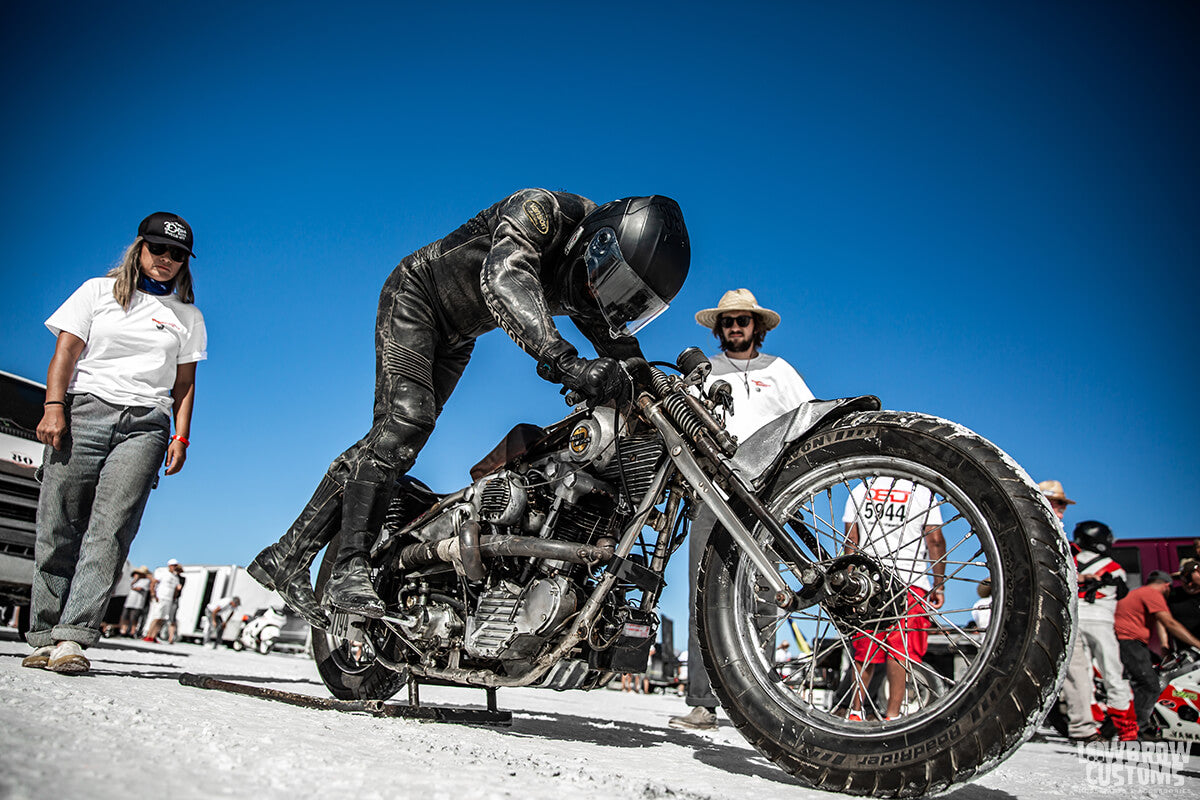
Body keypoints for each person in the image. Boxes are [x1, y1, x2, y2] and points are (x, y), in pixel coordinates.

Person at [249, 191, 690, 629]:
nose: (601, 294)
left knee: (390, 438)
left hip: (458, 336)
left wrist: (655, 385)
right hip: (416, 297)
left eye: (623, 296)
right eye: (609, 279)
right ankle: (349, 567)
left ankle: (285, 556)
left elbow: (620, 348)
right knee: (405, 423)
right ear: (598, 243)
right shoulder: (542, 211)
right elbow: (504, 279)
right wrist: (564, 359)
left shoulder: (590, 282)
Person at [20, 213, 204, 674]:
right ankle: (43, 633)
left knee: (111, 532)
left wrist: (180, 435)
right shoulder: (96, 292)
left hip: (146, 425)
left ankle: (72, 638)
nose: (166, 260)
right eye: (158, 249)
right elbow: (65, 351)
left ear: (185, 263)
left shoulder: (188, 317)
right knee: (58, 523)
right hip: (84, 411)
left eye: (177, 254)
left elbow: (185, 384)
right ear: (139, 248)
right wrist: (53, 406)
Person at [669, 289, 814, 731]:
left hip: (769, 494)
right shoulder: (704, 372)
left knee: (766, 595)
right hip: (713, 491)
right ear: (719, 327)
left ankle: (761, 700)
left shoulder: (781, 371)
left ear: (757, 327)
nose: (735, 327)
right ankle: (702, 703)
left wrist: (802, 487)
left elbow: (806, 422)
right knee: (702, 594)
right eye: (728, 320)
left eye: (743, 320)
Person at [841, 477, 945, 721]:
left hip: (870, 581)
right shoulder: (922, 492)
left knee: (864, 650)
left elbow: (851, 542)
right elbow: (935, 541)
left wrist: (850, 586)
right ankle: (893, 715)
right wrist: (939, 585)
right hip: (911, 581)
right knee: (901, 651)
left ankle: (855, 711)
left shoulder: (861, 489)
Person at [1061, 521, 1138, 741]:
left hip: (1074, 622)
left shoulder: (1071, 563)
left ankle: (1088, 724)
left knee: (1081, 677)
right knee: (1113, 674)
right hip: (1101, 623)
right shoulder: (1114, 566)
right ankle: (1127, 729)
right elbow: (1122, 592)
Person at [1114, 570, 1200, 738]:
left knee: (1152, 675)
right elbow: (1169, 622)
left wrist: (1164, 646)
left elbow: (1162, 623)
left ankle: (1135, 723)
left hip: (1127, 641)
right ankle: (1136, 729)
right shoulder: (1152, 593)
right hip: (1128, 641)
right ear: (1166, 585)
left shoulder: (1140, 592)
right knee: (1150, 685)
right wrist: (1197, 644)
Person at [143, 559, 185, 643]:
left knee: (162, 618)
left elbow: (176, 590)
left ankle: (154, 636)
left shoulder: (175, 577)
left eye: (176, 566)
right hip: (161, 597)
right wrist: (153, 593)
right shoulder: (164, 573)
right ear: (169, 565)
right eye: (173, 565)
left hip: (169, 600)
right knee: (156, 617)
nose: (174, 567)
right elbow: (153, 582)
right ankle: (148, 635)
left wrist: (175, 594)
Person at [1166, 558, 1200, 643]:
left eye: (1194, 584)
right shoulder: (1172, 596)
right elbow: (1163, 621)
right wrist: (1165, 644)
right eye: (1186, 581)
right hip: (1184, 648)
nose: (1190, 585)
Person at [119, 566, 152, 637]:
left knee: (134, 618)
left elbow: (139, 588)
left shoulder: (146, 581)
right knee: (125, 617)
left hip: (138, 603)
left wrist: (133, 586)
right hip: (129, 601)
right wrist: (134, 580)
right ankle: (123, 630)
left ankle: (132, 632)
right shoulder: (134, 580)